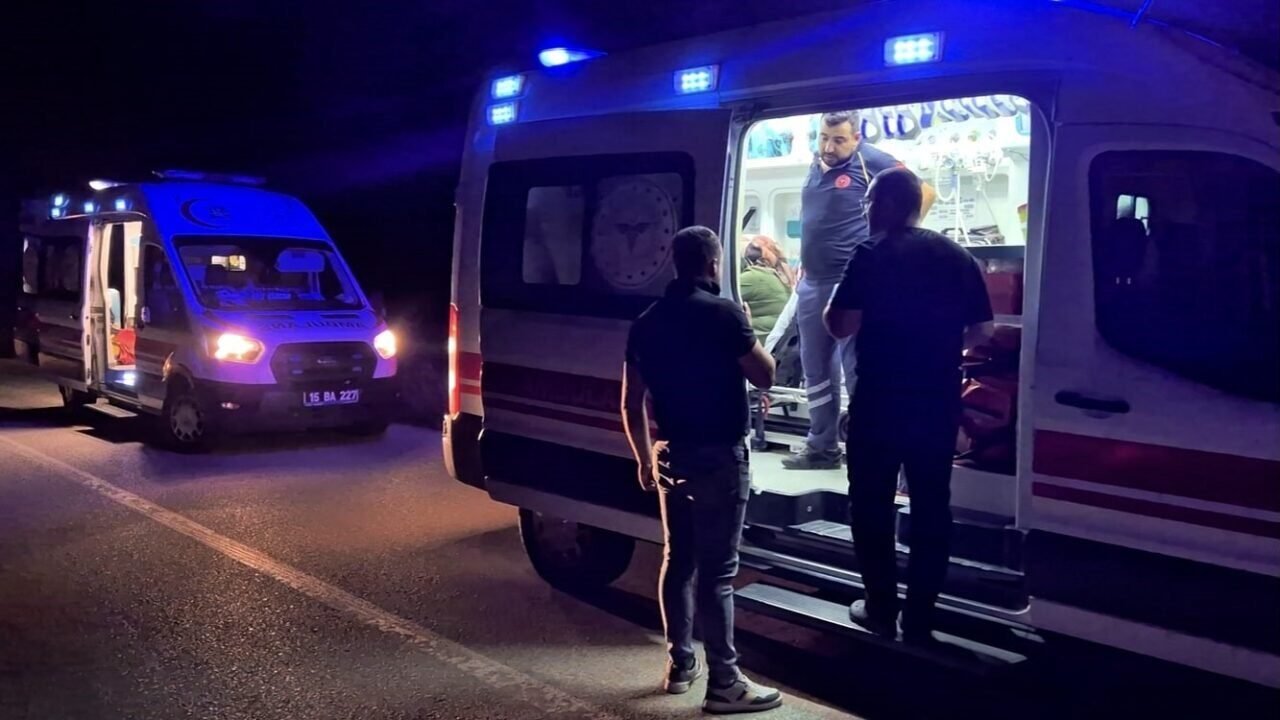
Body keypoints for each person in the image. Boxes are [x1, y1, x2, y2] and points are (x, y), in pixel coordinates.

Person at [825, 168, 994, 643]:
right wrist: (940, 346)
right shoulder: (957, 255)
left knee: (871, 504)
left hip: (880, 399)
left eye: (869, 201)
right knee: (932, 507)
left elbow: (840, 324)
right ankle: (920, 617)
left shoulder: (870, 253)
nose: (866, 210)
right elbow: (983, 330)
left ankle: (880, 607)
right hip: (936, 399)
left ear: (889, 205)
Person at [621, 226, 783, 714]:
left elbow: (630, 401)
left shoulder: (646, 321)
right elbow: (765, 374)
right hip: (718, 455)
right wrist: (747, 328)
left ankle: (680, 665)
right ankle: (725, 684)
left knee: (677, 560)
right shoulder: (725, 313)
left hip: (670, 452)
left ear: (675, 264)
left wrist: (643, 456)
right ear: (713, 264)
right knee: (718, 573)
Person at [785, 110, 936, 470]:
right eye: (824, 137)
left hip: (850, 278)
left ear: (856, 138)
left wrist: (895, 239)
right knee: (815, 368)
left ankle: (872, 448)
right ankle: (822, 447)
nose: (829, 146)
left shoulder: (872, 161)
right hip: (812, 281)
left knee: (859, 368)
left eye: (839, 140)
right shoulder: (815, 163)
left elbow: (925, 192)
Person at [739, 237, 793, 344]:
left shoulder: (754, 276)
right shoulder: (780, 276)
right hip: (775, 346)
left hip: (760, 345)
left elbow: (721, 294)